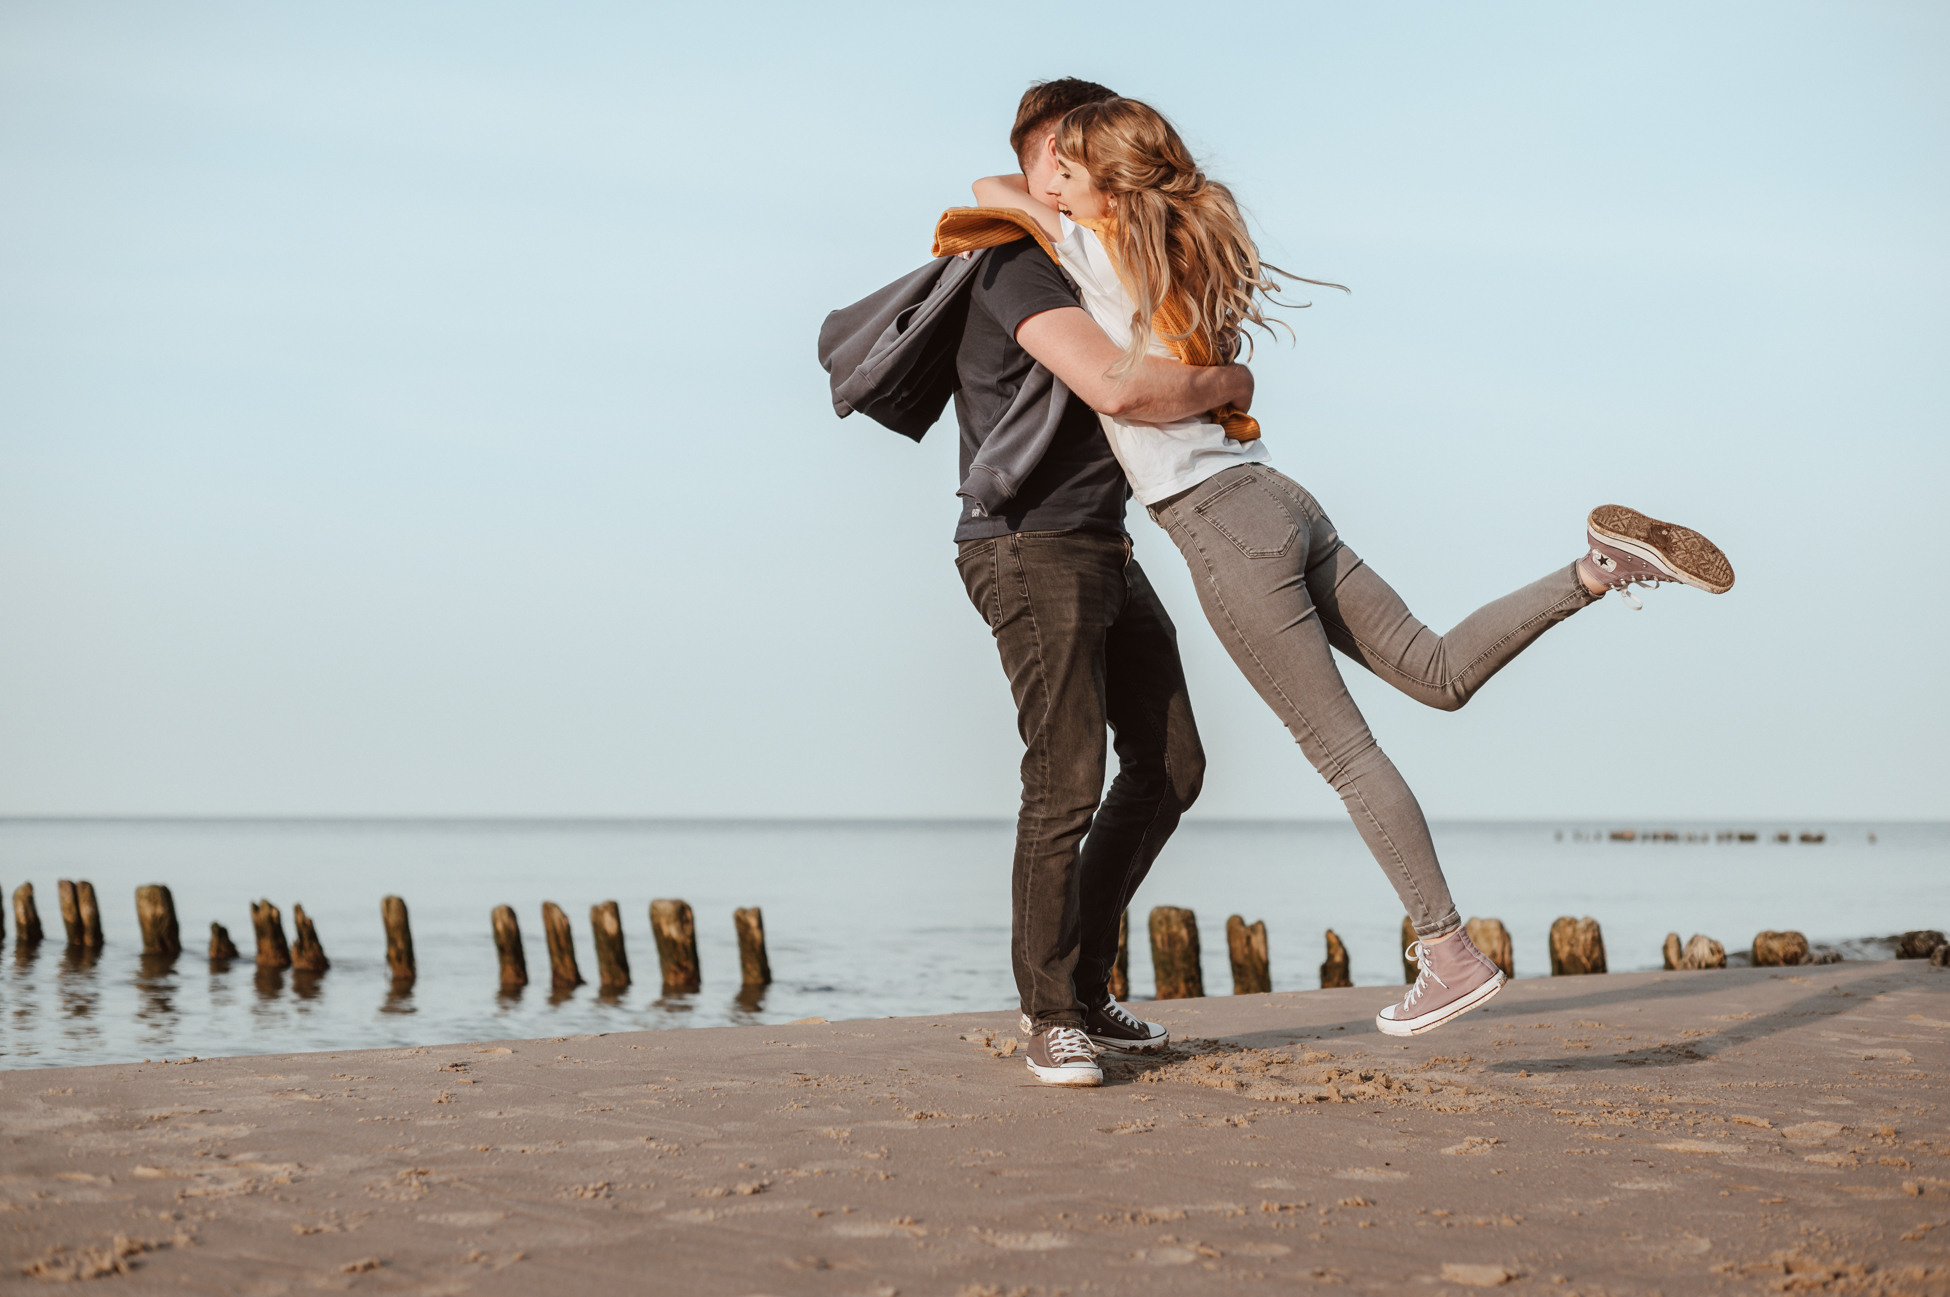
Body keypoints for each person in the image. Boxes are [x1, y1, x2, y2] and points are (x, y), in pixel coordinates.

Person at [963, 96, 1735, 1037]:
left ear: (1107, 184)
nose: (1052, 178)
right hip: (1281, 498)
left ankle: (1447, 951)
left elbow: (992, 189)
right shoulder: (1179, 248)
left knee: (1346, 753)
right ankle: (1596, 568)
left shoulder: (1089, 251)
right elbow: (1046, 192)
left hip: (1217, 526)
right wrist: (1107, 177)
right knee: (1437, 670)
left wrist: (1062, 191)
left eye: (1072, 168)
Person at [822, 80, 1253, 1085]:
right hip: (1027, 544)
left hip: (1099, 541)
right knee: (1064, 777)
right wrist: (1229, 385)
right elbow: (1113, 386)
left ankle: (1083, 984)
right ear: (1056, 163)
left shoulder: (1090, 261)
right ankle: (1051, 1014)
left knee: (1171, 762)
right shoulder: (1017, 262)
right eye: (1093, 150)